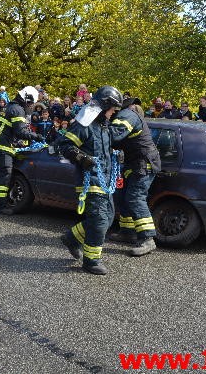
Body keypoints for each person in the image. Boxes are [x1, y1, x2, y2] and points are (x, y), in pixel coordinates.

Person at [59, 86, 123, 275]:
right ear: (104, 106)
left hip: (105, 178)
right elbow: (66, 145)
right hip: (91, 180)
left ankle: (72, 238)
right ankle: (91, 260)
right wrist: (81, 158)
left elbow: (103, 151)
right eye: (113, 109)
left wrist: (117, 156)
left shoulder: (103, 125)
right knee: (100, 220)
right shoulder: (84, 124)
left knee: (108, 217)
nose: (114, 113)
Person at [109, 97, 161, 257]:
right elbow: (117, 142)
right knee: (123, 197)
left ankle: (147, 239)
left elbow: (113, 136)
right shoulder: (129, 116)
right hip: (134, 164)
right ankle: (127, 231)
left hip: (143, 163)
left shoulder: (128, 115)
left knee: (135, 198)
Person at [0, 85, 44, 215]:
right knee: (5, 175)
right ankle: (1, 207)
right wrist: (36, 136)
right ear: (26, 99)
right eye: (30, 103)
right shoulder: (18, 110)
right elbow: (20, 131)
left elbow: (11, 130)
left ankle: (1, 201)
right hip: (2, 148)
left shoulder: (10, 106)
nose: (30, 106)